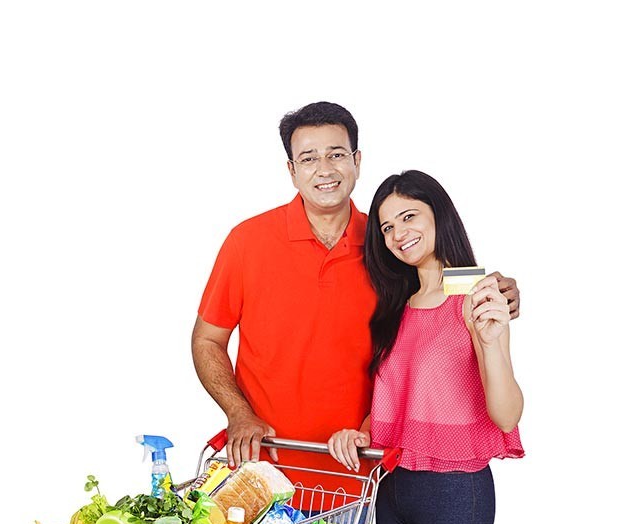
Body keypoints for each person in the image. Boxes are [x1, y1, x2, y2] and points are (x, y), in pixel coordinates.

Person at [192, 102, 521, 493]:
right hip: (263, 468)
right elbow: (208, 340)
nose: (325, 169)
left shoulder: (385, 245)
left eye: (336, 154)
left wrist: (495, 285)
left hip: (351, 472)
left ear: (357, 161)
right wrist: (238, 413)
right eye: (309, 158)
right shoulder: (246, 242)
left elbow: (439, 283)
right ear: (292, 171)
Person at [327, 170, 524, 524]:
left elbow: (507, 414)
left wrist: (491, 345)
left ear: (439, 214)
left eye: (409, 216)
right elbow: (400, 397)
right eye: (387, 226)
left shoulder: (475, 291)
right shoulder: (395, 304)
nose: (399, 233)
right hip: (391, 489)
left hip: (453, 494)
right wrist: (361, 431)